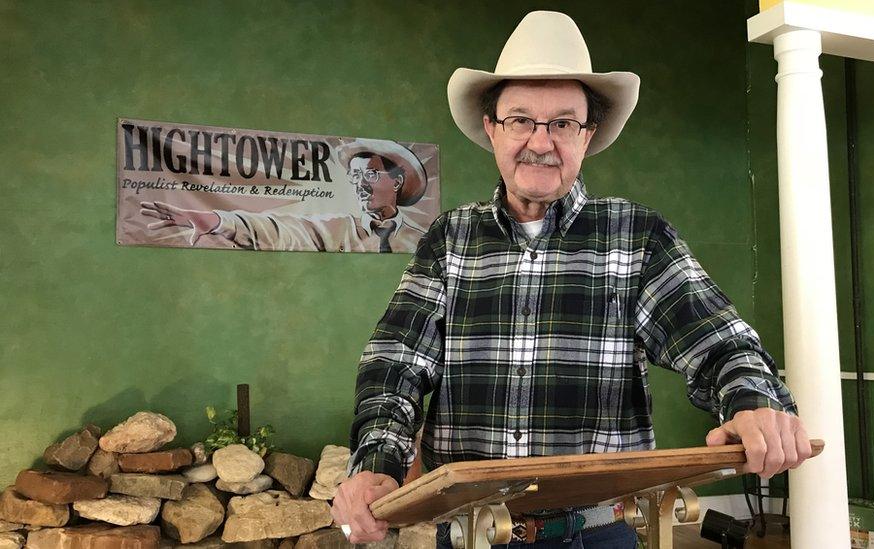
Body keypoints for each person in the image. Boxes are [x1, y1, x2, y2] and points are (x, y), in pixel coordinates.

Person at [332, 11, 812, 548]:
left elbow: (722, 345)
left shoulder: (639, 236)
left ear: (588, 134)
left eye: (562, 123)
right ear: (491, 128)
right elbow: (395, 363)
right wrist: (377, 461)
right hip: (469, 536)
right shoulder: (449, 238)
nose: (541, 142)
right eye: (520, 120)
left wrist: (754, 402)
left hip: (598, 536)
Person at [140, 139, 429, 253]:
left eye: (370, 174)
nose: (359, 185)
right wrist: (216, 219)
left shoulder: (424, 243)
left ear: (397, 181)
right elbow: (281, 230)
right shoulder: (337, 228)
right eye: (354, 176)